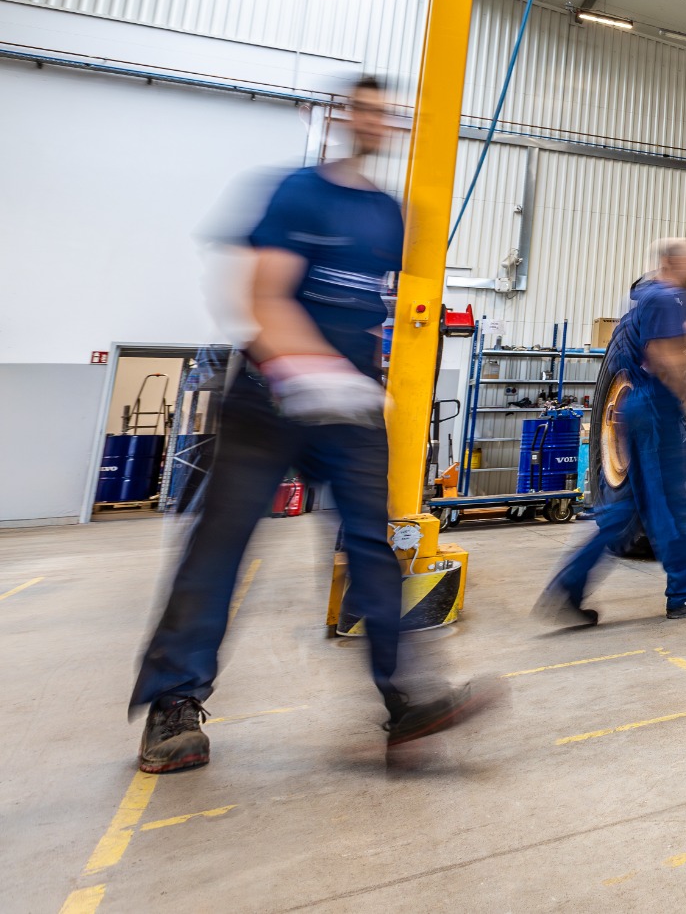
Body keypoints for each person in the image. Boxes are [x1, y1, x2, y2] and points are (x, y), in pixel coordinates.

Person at [132, 77, 491, 773]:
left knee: (371, 541)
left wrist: (361, 383)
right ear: (341, 117)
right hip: (271, 395)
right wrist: (311, 371)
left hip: (350, 404)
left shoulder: (391, 215)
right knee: (221, 543)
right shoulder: (297, 192)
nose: (376, 121)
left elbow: (371, 314)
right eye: (364, 108)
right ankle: (173, 702)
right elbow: (262, 296)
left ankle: (406, 697)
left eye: (387, 114)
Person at [538, 238, 686, 624]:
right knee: (671, 506)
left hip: (643, 407)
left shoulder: (662, 299)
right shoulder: (663, 297)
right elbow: (664, 354)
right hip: (657, 408)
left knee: (626, 512)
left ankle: (568, 588)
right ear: (673, 262)